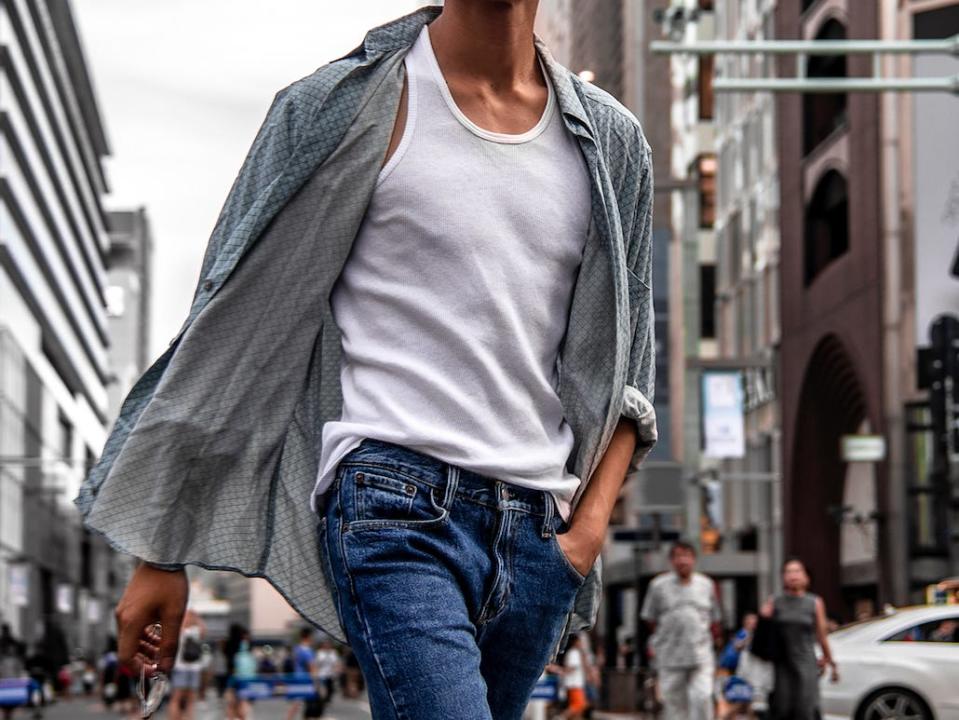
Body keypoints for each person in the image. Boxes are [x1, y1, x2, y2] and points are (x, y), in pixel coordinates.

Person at [80, 3, 658, 717]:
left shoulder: (611, 141)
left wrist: (586, 532)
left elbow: (632, 364)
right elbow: (230, 328)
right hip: (394, 502)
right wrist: (160, 550)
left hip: (540, 530)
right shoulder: (339, 107)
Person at [641, 541, 722, 720]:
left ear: (694, 559)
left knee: (702, 697)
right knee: (674, 706)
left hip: (700, 655)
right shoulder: (657, 586)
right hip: (669, 656)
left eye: (687, 556)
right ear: (671, 560)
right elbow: (649, 618)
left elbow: (715, 619)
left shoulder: (706, 584)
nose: (682, 561)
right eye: (678, 556)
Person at [760, 558, 838, 720]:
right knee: (782, 708)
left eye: (797, 571)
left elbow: (821, 635)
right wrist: (763, 618)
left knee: (805, 708)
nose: (793, 575)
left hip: (806, 662)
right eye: (788, 571)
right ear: (783, 577)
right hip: (781, 663)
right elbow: (763, 634)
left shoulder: (814, 602)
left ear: (805, 577)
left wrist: (829, 660)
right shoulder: (775, 601)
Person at [168, 609, 205, 720]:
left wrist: (196, 618)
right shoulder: (179, 629)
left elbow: (203, 631)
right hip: (181, 667)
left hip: (193, 668)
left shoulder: (195, 631)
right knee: (177, 697)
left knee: (191, 698)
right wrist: (187, 617)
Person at [286, 629, 316, 720]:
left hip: (296, 677)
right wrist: (316, 681)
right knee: (308, 704)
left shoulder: (297, 649)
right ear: (309, 637)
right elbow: (312, 667)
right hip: (305, 680)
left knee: (297, 703)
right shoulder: (307, 650)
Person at [558, 634, 588, 719]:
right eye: (579, 641)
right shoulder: (573, 652)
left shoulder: (574, 652)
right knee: (578, 705)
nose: (581, 643)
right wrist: (562, 671)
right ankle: (560, 717)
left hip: (575, 683)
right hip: (574, 683)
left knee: (579, 706)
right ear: (575, 642)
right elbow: (571, 668)